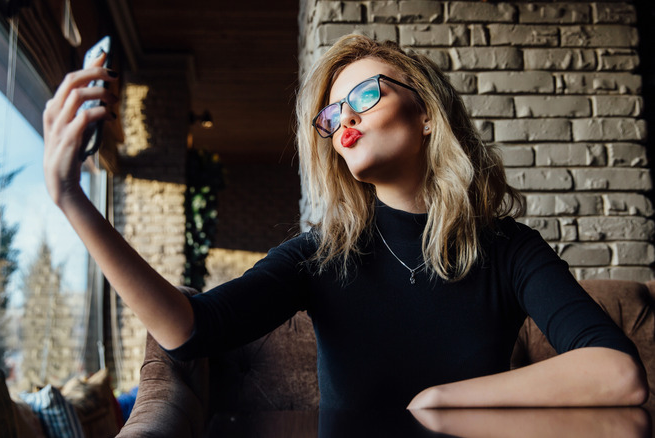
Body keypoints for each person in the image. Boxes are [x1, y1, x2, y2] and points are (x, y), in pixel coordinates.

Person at [43, 34, 647, 411]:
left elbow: (618, 373)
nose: (344, 121)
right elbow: (189, 330)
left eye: (364, 97)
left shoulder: (508, 248)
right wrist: (72, 197)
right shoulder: (322, 255)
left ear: (427, 114)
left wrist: (442, 401)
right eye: (333, 115)